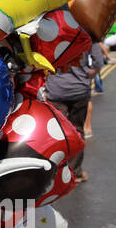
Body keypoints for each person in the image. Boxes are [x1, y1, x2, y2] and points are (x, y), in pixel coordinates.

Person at [43, 40, 104, 182]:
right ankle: (75, 172)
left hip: (56, 90)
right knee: (77, 130)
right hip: (80, 90)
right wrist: (84, 76)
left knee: (57, 134)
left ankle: (56, 173)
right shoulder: (88, 34)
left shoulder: (52, 32)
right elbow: (98, 62)